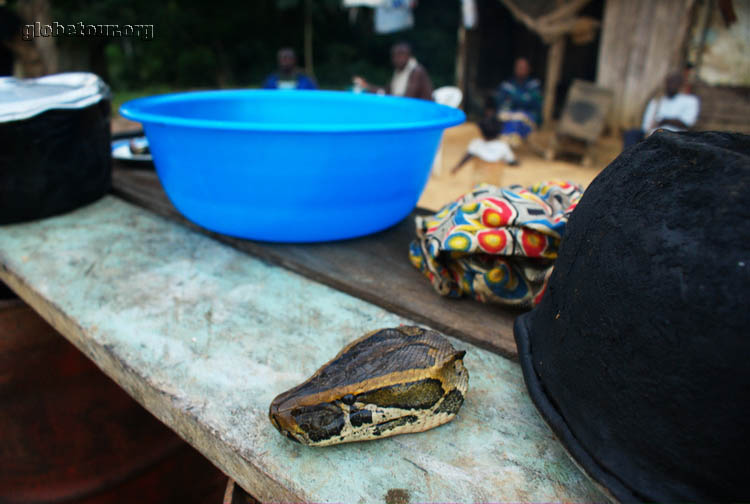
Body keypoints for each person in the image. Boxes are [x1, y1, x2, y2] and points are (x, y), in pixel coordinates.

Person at [623, 72, 700, 148]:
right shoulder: (657, 101)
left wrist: (664, 121)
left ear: (680, 85)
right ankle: (627, 158)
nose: (671, 86)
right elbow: (646, 125)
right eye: (669, 83)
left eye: (674, 83)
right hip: (653, 135)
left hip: (676, 137)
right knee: (631, 134)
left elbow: (687, 123)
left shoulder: (690, 101)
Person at [451, 99, 518, 175]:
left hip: (479, 178)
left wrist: (457, 167)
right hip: (495, 179)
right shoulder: (502, 146)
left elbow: (468, 156)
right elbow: (511, 161)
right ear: (498, 132)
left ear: (481, 131)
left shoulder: (476, 144)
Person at [353, 42, 433, 101]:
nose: (397, 59)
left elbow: (408, 98)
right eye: (394, 56)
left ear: (408, 56)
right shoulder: (398, 71)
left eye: (401, 55)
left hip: (423, 111)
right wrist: (366, 86)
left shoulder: (416, 71)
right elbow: (388, 91)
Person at [494, 57, 543, 146]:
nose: (521, 70)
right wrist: (523, 99)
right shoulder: (507, 84)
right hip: (509, 115)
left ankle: (512, 139)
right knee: (506, 118)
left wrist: (514, 99)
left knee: (519, 120)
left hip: (527, 117)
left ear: (529, 69)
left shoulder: (533, 85)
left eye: (523, 68)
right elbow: (501, 103)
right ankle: (508, 139)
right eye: (519, 67)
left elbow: (535, 104)